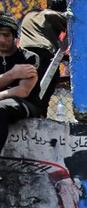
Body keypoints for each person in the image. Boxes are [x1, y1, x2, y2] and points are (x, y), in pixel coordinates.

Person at [0, 11, 45, 153]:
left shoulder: (29, 57)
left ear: (14, 36)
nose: (1, 39)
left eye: (6, 35)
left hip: (27, 104)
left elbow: (23, 91)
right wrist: (12, 74)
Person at [18, 0, 67, 107]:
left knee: (29, 87)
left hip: (24, 54)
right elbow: (49, 14)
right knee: (49, 82)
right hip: (41, 53)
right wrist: (68, 19)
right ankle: (40, 111)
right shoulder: (46, 15)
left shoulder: (29, 16)